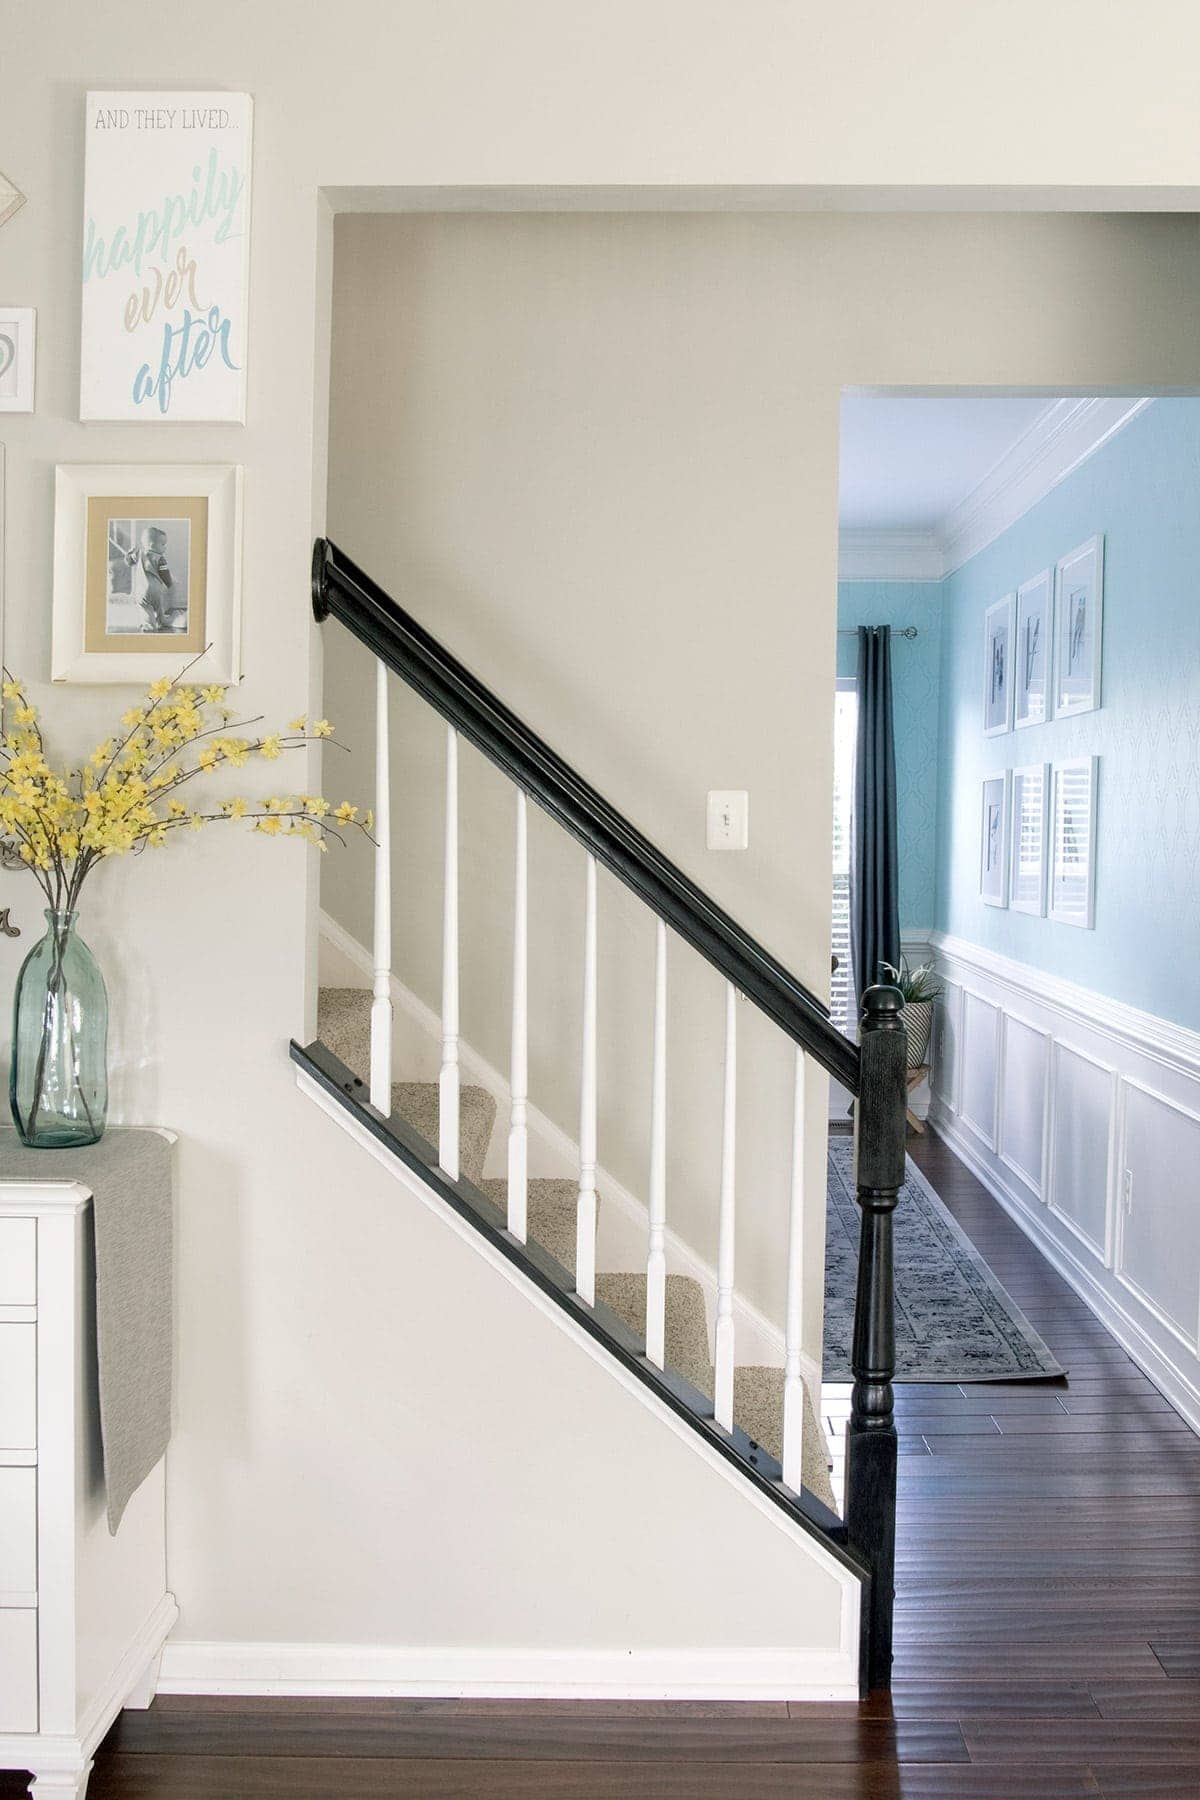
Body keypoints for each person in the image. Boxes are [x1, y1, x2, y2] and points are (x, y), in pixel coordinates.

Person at [126, 525, 184, 632]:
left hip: (143, 590)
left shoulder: (139, 554)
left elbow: (129, 562)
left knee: (146, 607)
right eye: (163, 544)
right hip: (157, 589)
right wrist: (169, 584)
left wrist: (129, 555)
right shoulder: (160, 558)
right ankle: (160, 621)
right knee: (159, 607)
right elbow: (164, 573)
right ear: (153, 545)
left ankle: (149, 626)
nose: (165, 547)